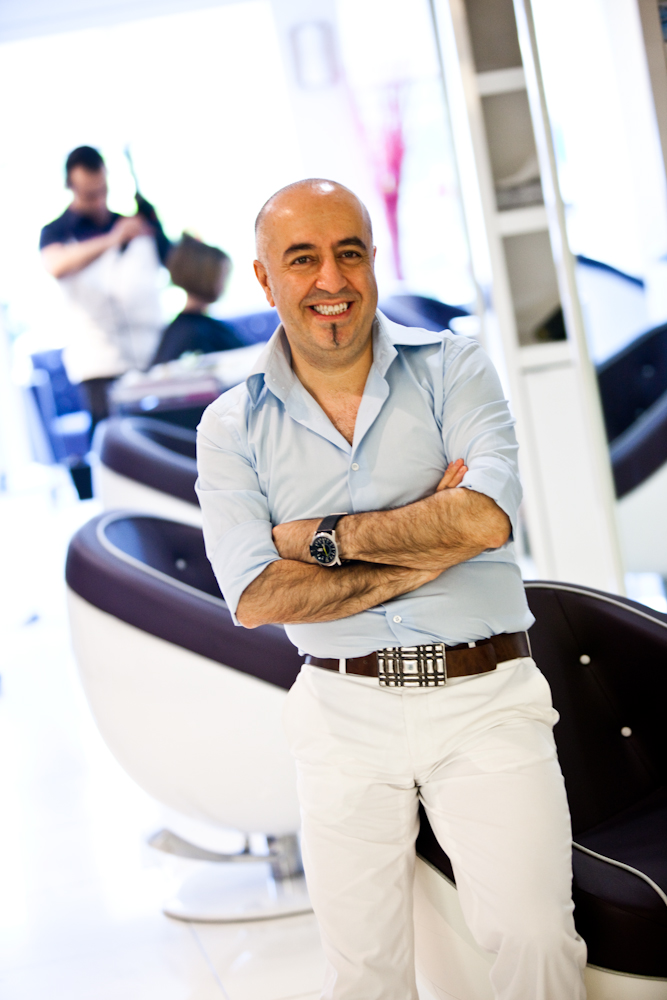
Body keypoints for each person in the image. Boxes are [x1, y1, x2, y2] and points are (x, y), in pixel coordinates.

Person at [195, 179, 587, 1000]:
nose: (330, 280)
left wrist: (321, 540)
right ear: (264, 279)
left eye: (349, 253)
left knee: (534, 937)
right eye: (302, 259)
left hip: (485, 696)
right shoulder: (231, 424)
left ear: (374, 258)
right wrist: (428, 548)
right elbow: (257, 595)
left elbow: (485, 517)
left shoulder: (453, 365)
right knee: (363, 972)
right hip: (341, 710)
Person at [40, 145, 171, 428]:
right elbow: (56, 265)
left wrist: (156, 229)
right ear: (70, 187)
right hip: (99, 364)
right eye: (90, 195)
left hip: (152, 356)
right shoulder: (56, 232)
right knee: (112, 438)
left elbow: (171, 264)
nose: (99, 201)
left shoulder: (133, 224)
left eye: (103, 191)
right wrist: (113, 239)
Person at [151, 233, 243, 365]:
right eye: (224, 275)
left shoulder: (183, 329)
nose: (225, 284)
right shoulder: (195, 334)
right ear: (207, 277)